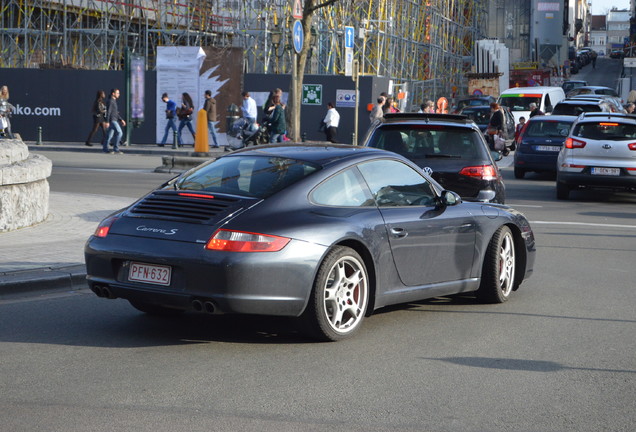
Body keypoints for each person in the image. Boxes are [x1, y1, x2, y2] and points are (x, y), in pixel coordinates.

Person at [102, 88, 126, 154]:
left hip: (114, 119)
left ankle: (105, 149)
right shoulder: (110, 101)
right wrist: (107, 121)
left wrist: (121, 120)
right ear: (113, 93)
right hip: (112, 120)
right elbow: (108, 112)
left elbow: (115, 113)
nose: (119, 94)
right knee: (119, 132)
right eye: (117, 93)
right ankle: (116, 149)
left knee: (109, 136)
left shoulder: (113, 101)